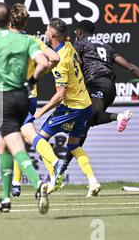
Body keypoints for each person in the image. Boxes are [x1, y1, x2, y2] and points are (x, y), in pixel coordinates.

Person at [58, 20, 139, 182]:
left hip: (97, 85)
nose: (76, 35)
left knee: (86, 118)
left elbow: (71, 62)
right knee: (84, 124)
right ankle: (62, 170)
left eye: (76, 33)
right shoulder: (106, 47)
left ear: (80, 32)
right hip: (110, 88)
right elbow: (130, 67)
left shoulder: (80, 44)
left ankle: (119, 117)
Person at [0, 2, 51, 214]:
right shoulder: (27, 40)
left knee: (16, 146)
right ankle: (5, 199)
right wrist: (32, 81)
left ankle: (37, 183)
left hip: (3, 99)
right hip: (25, 97)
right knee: (3, 146)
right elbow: (47, 62)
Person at [33, 18, 100, 197]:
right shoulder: (69, 47)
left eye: (47, 29)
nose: (46, 32)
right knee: (73, 146)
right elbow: (79, 61)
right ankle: (93, 181)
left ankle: (55, 179)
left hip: (72, 107)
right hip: (85, 104)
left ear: (53, 33)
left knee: (39, 139)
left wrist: (42, 110)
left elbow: (60, 94)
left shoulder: (60, 61)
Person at [7, 3, 64, 197]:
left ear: (9, 22)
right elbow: (54, 58)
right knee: (20, 140)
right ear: (25, 22)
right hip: (31, 97)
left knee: (28, 136)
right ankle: (15, 183)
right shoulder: (32, 40)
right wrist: (39, 74)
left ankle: (56, 162)